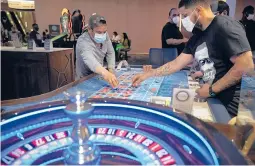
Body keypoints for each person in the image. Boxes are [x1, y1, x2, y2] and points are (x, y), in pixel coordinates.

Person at [132, 0, 254, 117]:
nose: (183, 20)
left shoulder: (224, 25)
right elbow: (175, 64)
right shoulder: (196, 38)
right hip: (214, 100)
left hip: (233, 107)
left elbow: (245, 65)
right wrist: (148, 74)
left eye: (185, 15)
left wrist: (211, 90)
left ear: (198, 10)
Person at [191, 0, 230, 80]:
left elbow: (223, 65)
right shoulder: (210, 31)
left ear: (224, 13)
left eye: (212, 15)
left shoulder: (227, 32)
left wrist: (203, 72)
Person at [76, 14, 118, 88]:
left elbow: (110, 52)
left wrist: (111, 70)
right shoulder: (83, 41)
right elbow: (90, 60)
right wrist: (105, 73)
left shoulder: (105, 35)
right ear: (89, 29)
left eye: (104, 32)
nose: (102, 35)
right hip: (85, 78)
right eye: (98, 32)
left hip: (98, 74)